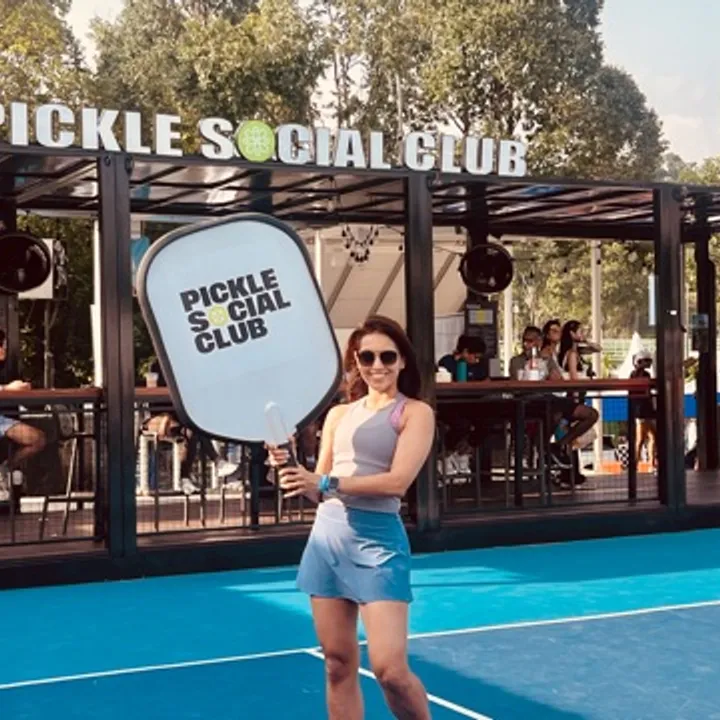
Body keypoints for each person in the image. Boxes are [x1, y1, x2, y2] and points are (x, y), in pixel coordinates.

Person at [267, 315, 434, 720]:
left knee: (390, 671)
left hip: (379, 544)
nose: (377, 365)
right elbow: (317, 490)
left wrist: (323, 480)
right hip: (327, 542)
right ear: (356, 361)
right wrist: (288, 466)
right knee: (337, 664)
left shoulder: (415, 412)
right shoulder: (338, 415)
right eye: (367, 356)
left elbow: (397, 482)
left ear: (402, 361)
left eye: (387, 356)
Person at [0, 329, 46, 502]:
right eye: (3, 345)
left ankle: (5, 468)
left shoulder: (5, 368)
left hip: (3, 421)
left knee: (38, 438)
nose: (4, 349)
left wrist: (18, 388)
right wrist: (7, 388)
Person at [630, 349, 656, 471]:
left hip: (643, 409)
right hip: (642, 409)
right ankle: (642, 464)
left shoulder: (639, 374)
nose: (648, 363)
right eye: (646, 361)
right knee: (643, 438)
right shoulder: (639, 375)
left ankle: (646, 463)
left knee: (649, 437)